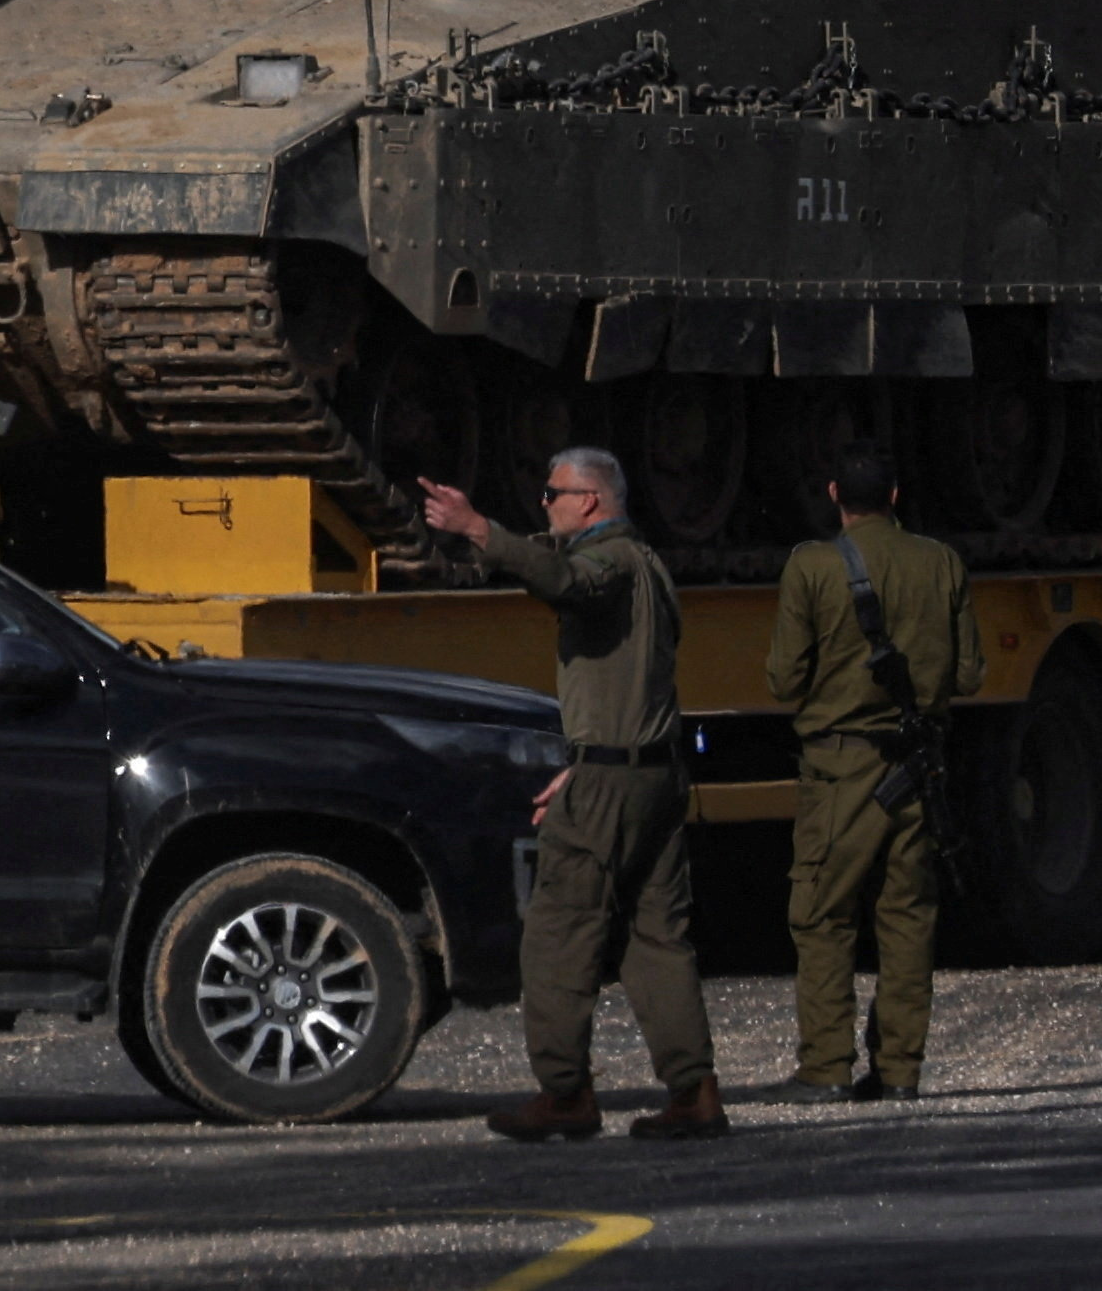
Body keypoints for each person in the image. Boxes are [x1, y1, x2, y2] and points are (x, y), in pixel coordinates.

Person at [420, 448, 725, 1143]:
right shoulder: (652, 566)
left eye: (552, 492)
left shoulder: (609, 564)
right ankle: (695, 1089)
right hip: (651, 772)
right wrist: (588, 757)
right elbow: (633, 684)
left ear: (589, 500)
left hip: (610, 785)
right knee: (658, 940)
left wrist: (478, 529)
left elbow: (566, 582)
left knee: (559, 932)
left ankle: (564, 1093)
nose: (546, 504)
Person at [762, 446, 979, 1102]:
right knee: (908, 914)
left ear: (834, 494)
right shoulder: (941, 561)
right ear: (896, 493)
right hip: (918, 763)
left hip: (840, 768)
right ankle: (900, 1069)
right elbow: (968, 674)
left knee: (823, 913)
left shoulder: (813, 565)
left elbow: (783, 679)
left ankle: (825, 1067)